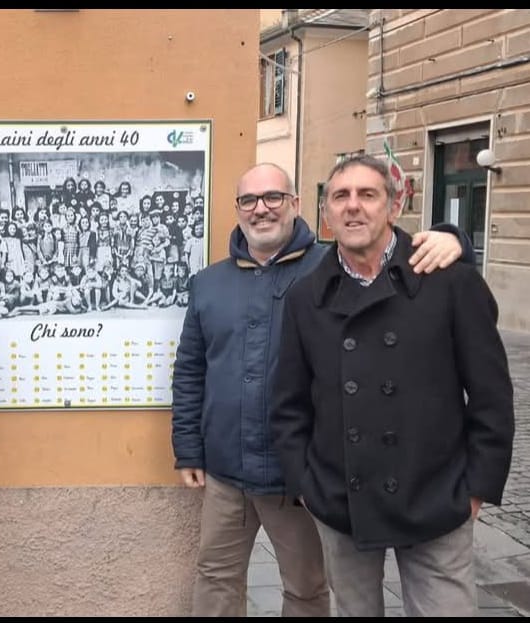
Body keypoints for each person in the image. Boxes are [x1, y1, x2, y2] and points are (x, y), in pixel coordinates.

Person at [171, 162, 472, 617]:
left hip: (296, 474)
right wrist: (189, 447)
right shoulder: (209, 283)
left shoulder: (332, 268)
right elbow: (191, 369)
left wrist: (456, 240)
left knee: (307, 587)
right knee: (215, 577)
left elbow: (391, 251)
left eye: (274, 197)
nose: (262, 209)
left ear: (295, 204)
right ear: (237, 210)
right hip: (224, 469)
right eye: (249, 200)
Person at [270, 154, 514, 617]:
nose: (353, 207)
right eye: (340, 196)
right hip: (342, 498)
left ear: (393, 206)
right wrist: (306, 484)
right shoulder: (307, 295)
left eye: (368, 195)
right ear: (325, 214)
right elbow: (289, 402)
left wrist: (477, 485)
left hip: (436, 496)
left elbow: (491, 396)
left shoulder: (450, 282)